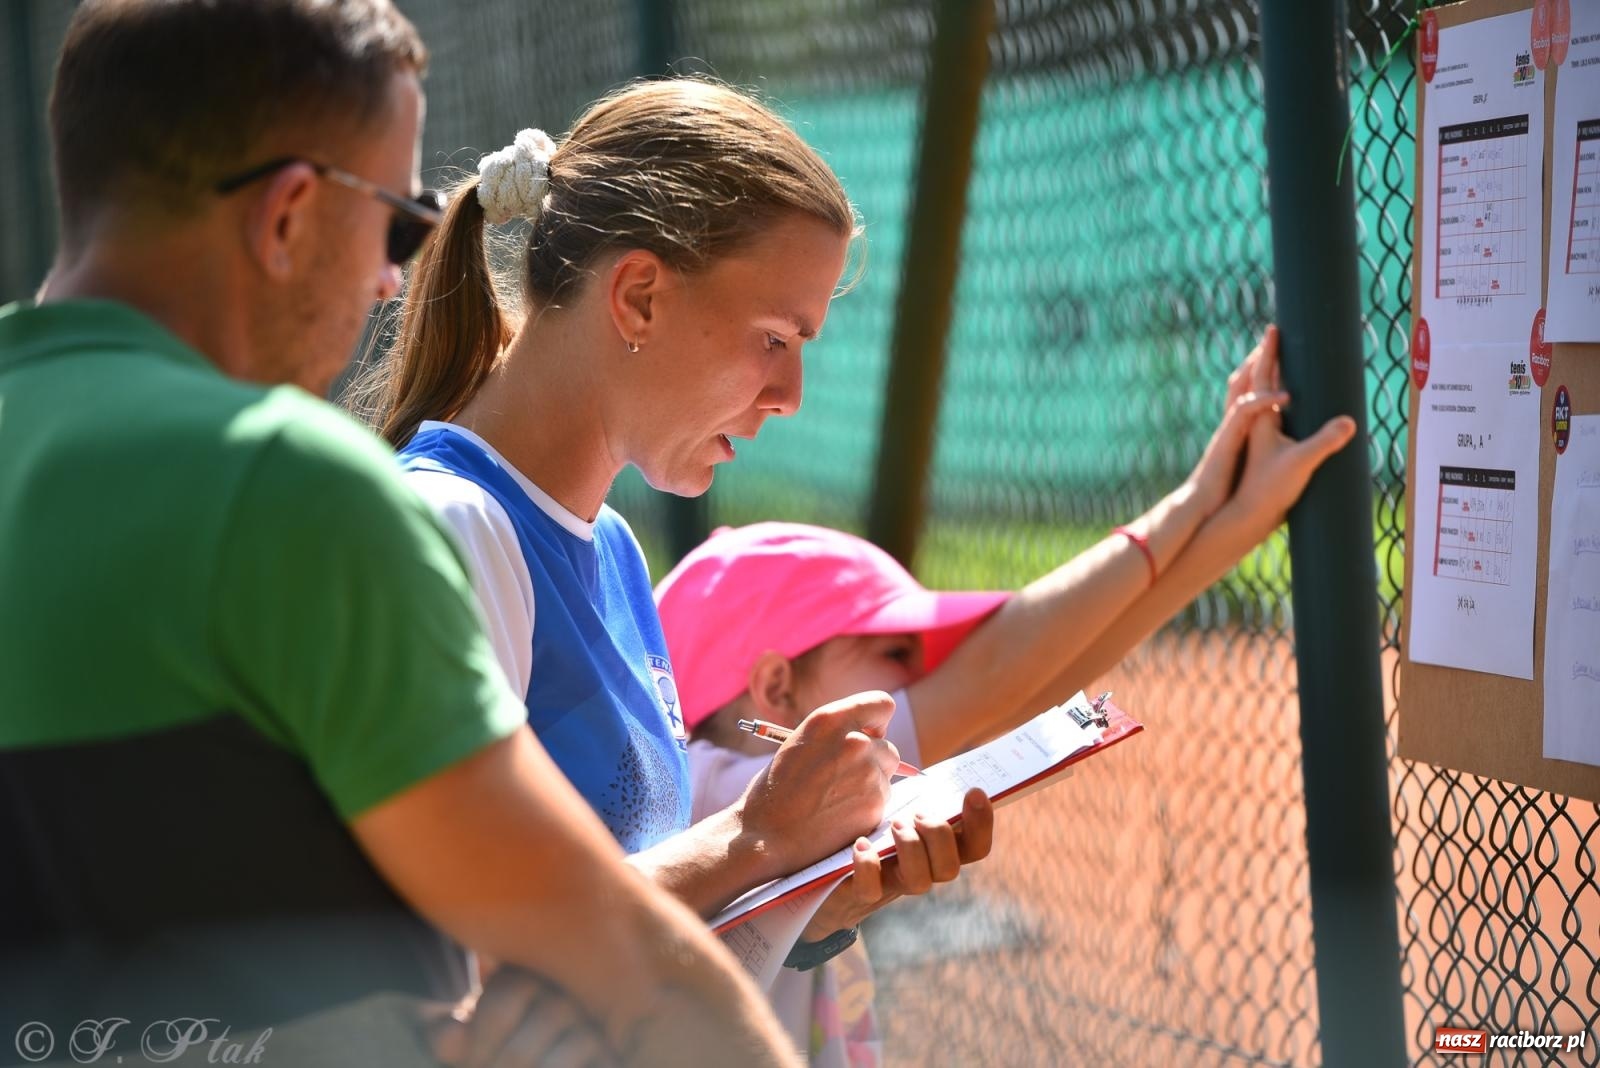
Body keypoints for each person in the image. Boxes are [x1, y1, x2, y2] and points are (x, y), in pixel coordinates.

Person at [0, 4, 801, 1065]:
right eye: (396, 225)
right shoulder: (283, 482)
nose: (393, 278)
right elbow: (614, 950)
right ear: (289, 213)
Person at [353, 79, 994, 987]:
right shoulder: (449, 531)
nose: (791, 395)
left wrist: (813, 900)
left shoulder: (611, 547)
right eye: (774, 338)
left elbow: (625, 914)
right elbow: (461, 960)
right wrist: (755, 836)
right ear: (640, 298)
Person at [653, 325, 1357, 1064]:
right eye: (894, 653)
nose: (930, 682)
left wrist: (1244, 516)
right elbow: (996, 678)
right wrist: (1198, 495)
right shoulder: (712, 791)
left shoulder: (783, 792)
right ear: (776, 686)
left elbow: (1038, 688)